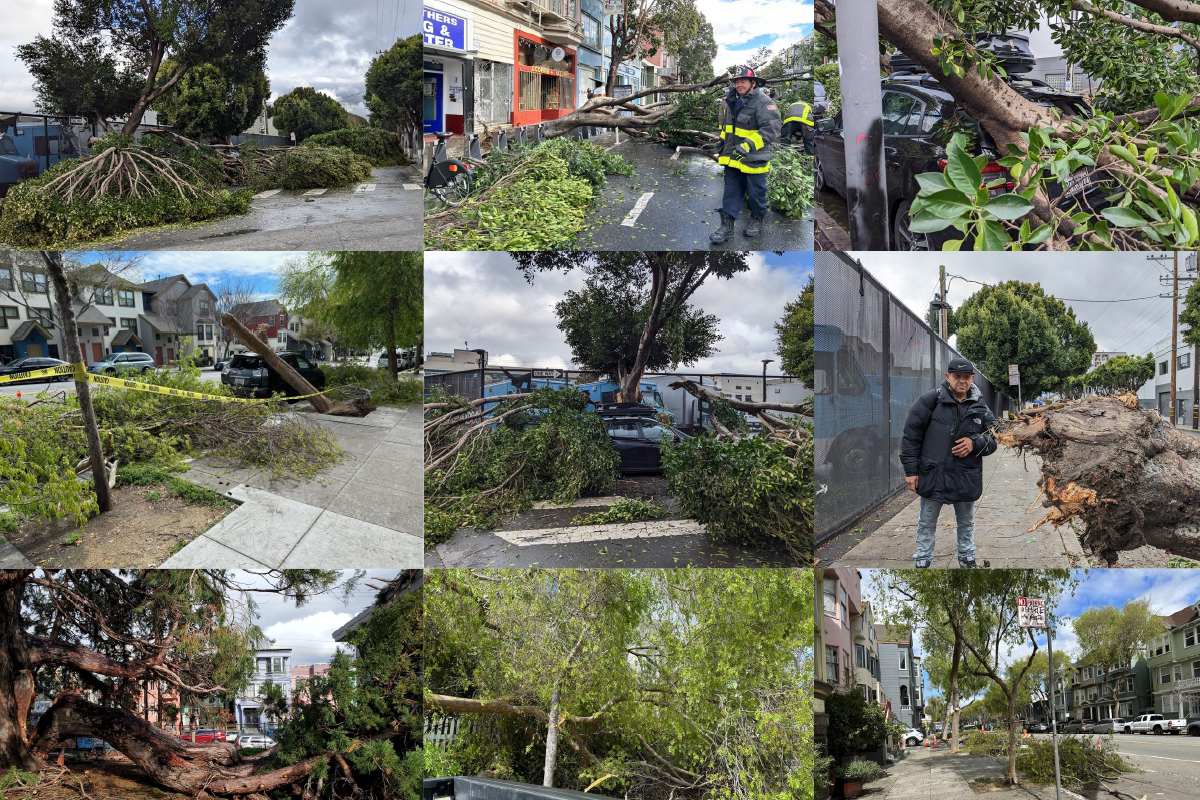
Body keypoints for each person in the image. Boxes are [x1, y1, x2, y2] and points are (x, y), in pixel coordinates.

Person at [899, 357, 998, 568]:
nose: (961, 381)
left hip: (966, 476)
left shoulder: (981, 407)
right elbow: (911, 437)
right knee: (926, 522)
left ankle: (967, 558)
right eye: (956, 376)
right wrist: (910, 472)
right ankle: (923, 559)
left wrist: (975, 442)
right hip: (934, 475)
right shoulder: (930, 401)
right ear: (948, 377)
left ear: (972, 378)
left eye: (966, 377)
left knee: (967, 522)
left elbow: (996, 436)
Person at [710, 67, 781, 243]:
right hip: (733, 158)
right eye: (737, 81)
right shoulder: (732, 101)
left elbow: (771, 129)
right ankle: (726, 227)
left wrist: (749, 145)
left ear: (753, 83)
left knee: (756, 193)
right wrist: (721, 143)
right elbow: (729, 129)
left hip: (754, 159)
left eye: (743, 81)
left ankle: (756, 219)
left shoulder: (764, 102)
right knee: (730, 192)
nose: (739, 84)